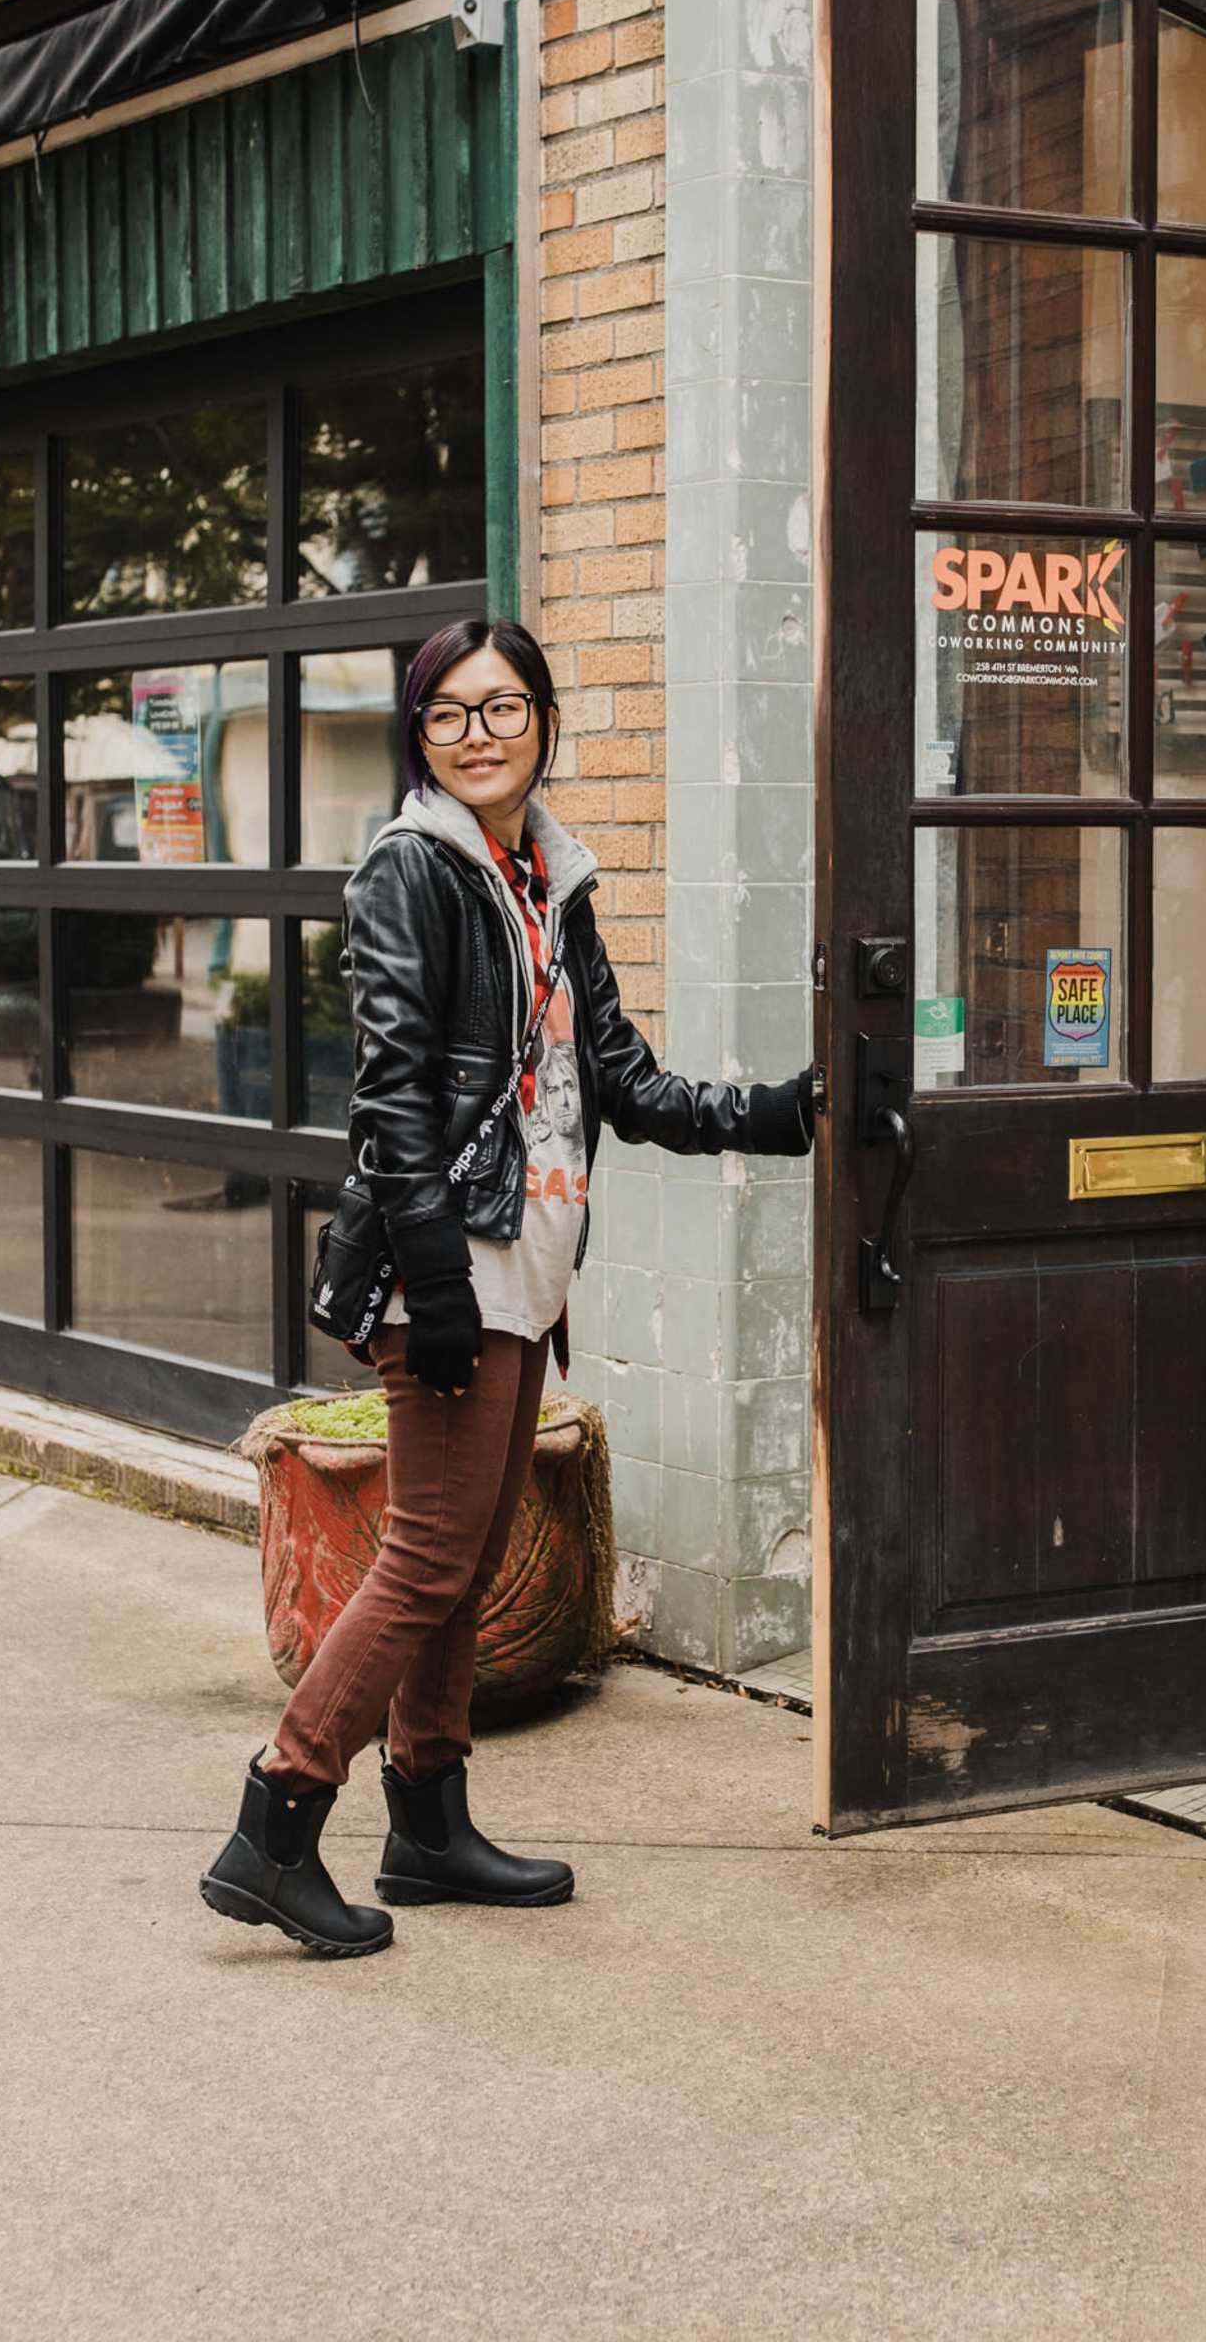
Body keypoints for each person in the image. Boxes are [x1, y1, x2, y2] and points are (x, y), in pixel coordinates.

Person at [199, 618, 820, 1956]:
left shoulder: (548, 880)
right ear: (417, 736)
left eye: (505, 706)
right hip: (453, 1267)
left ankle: (426, 1824)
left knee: (467, 1552)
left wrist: (783, 1112)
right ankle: (277, 1819)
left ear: (544, 719)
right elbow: (394, 1097)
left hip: (524, 1263)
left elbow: (628, 1083)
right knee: (429, 1558)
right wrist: (431, 1285)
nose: (481, 733)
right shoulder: (411, 872)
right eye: (451, 713)